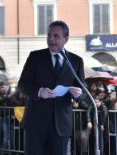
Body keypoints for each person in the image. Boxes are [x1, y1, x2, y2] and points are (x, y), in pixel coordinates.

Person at [18, 20, 84, 155]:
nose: (51, 39)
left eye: (56, 36)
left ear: (66, 39)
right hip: (36, 122)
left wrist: (79, 93)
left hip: (61, 124)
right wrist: (38, 91)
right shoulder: (35, 57)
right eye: (49, 35)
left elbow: (82, 89)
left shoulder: (76, 61)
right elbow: (23, 84)